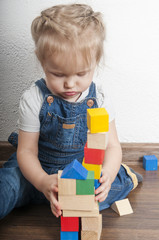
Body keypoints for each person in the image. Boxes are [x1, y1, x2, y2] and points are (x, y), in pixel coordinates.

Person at [0, 4, 142, 220]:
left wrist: (109, 173)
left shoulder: (99, 97)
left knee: (103, 189)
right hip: (38, 170)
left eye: (81, 73)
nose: (70, 84)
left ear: (95, 64)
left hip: (82, 173)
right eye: (57, 74)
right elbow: (26, 152)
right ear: (42, 62)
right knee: (8, 184)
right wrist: (41, 181)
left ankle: (123, 175)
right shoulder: (34, 97)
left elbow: (112, 146)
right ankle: (43, 194)